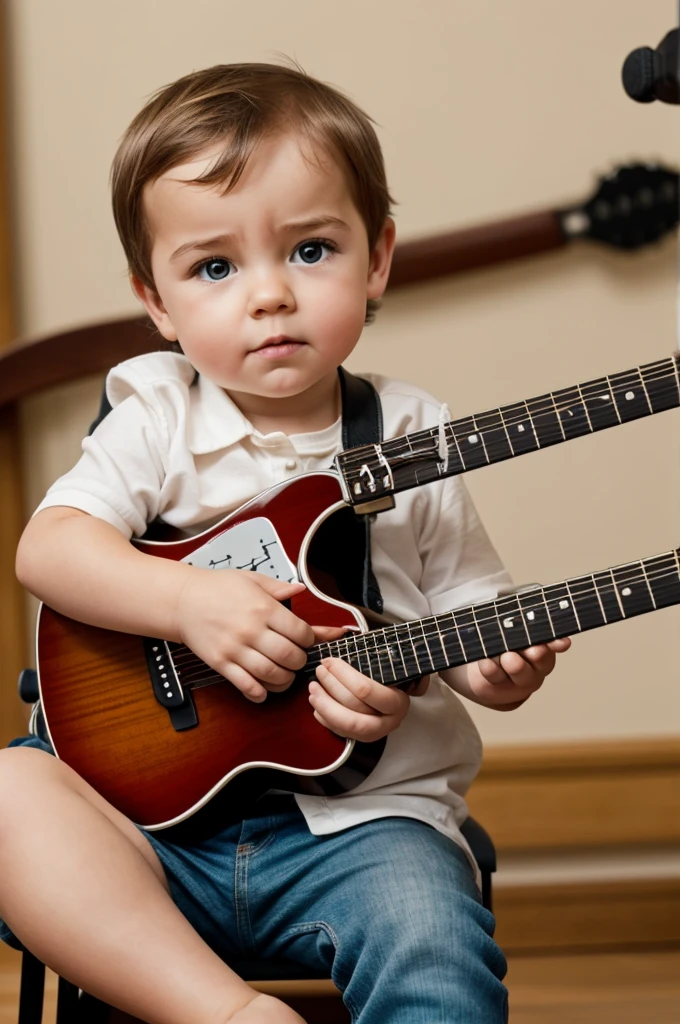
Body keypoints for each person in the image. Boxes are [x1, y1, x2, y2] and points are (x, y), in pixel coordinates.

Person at [0, 63, 569, 1024]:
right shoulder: (157, 418)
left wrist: (494, 663)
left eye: (311, 250)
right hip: (147, 833)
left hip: (367, 828)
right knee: (11, 791)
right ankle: (224, 1013)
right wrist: (185, 603)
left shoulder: (411, 436)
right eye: (215, 268)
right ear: (158, 302)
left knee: (432, 937)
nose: (268, 296)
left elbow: (469, 599)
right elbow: (48, 550)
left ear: (377, 258)